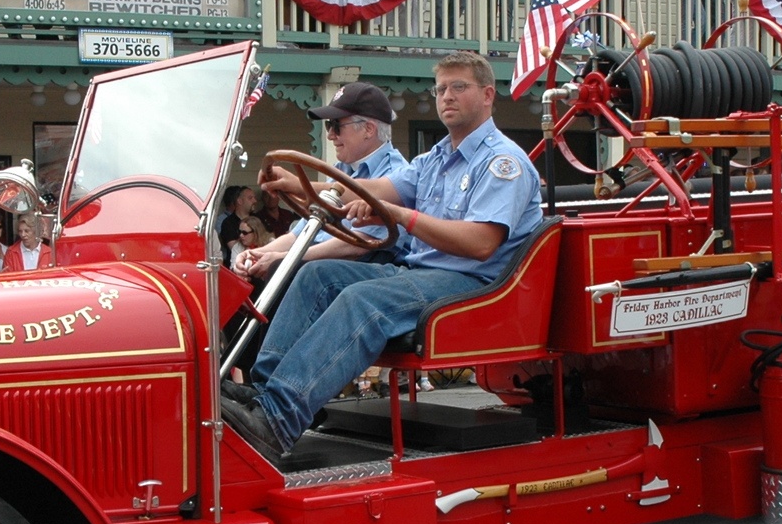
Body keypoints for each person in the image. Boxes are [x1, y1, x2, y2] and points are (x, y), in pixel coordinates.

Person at [220, 52, 543, 463]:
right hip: (422, 274)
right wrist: (296, 185)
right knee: (317, 275)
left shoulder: (504, 162)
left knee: (361, 299)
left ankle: (277, 419)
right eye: (441, 88)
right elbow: (365, 192)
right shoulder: (435, 160)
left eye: (458, 87)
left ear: (486, 95)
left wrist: (402, 216)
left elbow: (480, 243)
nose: (446, 96)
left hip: (475, 284)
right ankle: (265, 398)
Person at [232, 82, 408, 280]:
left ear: (368, 129)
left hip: (361, 275)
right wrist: (259, 253)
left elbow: (358, 245)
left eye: (336, 126)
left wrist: (285, 259)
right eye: (328, 125)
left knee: (306, 273)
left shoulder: (396, 176)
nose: (330, 135)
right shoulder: (343, 170)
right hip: (322, 269)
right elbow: (301, 233)